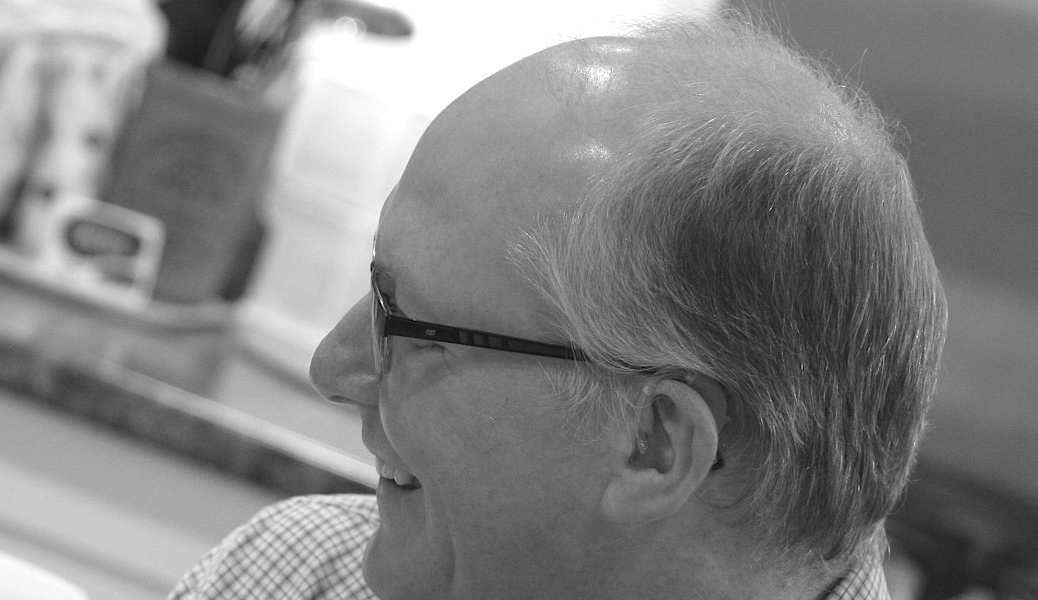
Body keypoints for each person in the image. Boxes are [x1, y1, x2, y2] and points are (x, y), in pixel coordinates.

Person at [172, 14, 946, 600]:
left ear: (653, 444)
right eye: (378, 287)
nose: (333, 368)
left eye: (411, 329)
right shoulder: (296, 576)